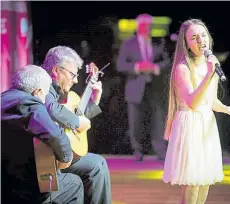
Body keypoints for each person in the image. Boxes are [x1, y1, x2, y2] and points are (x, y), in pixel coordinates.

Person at [162, 19, 230, 204]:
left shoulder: (210, 65)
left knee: (205, 180)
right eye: (194, 37)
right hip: (190, 125)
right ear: (186, 43)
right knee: (193, 182)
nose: (200, 40)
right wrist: (209, 74)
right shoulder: (182, 68)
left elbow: (209, 100)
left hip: (206, 125)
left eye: (203, 35)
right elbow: (193, 102)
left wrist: (226, 109)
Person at [1, 65, 84, 204]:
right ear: (38, 91)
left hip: (4, 186)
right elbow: (56, 135)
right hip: (26, 189)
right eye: (45, 96)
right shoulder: (29, 103)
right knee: (74, 183)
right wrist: (66, 157)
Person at [41, 46, 112, 204]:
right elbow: (52, 109)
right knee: (97, 165)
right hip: (45, 160)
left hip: (56, 154)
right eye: (72, 74)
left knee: (97, 164)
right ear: (56, 70)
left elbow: (74, 118)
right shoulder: (42, 84)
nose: (76, 80)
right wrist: (77, 122)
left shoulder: (57, 89)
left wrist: (94, 99)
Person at [117, 13, 170, 161]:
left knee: (158, 120)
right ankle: (137, 151)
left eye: (149, 26)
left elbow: (167, 62)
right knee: (135, 121)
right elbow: (120, 65)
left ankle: (160, 151)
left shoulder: (159, 42)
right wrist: (138, 67)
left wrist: (155, 67)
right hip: (135, 88)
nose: (147, 29)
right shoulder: (128, 43)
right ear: (138, 27)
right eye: (144, 26)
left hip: (155, 88)